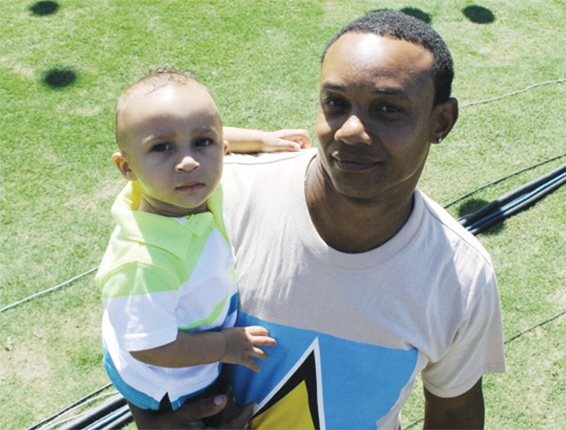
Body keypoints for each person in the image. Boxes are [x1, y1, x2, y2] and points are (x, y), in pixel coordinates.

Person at [130, 10, 506, 429]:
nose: (349, 131)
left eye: (387, 109)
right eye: (335, 104)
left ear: (441, 121)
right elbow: (133, 317)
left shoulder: (461, 275)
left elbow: (454, 412)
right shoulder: (217, 202)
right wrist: (149, 419)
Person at [96, 70, 304, 428]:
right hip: (167, 380)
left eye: (202, 142)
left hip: (172, 334)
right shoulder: (144, 263)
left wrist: (262, 140)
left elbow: (206, 133)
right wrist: (224, 346)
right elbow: (150, 346)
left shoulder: (185, 191)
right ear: (127, 167)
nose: (189, 161)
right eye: (162, 148)